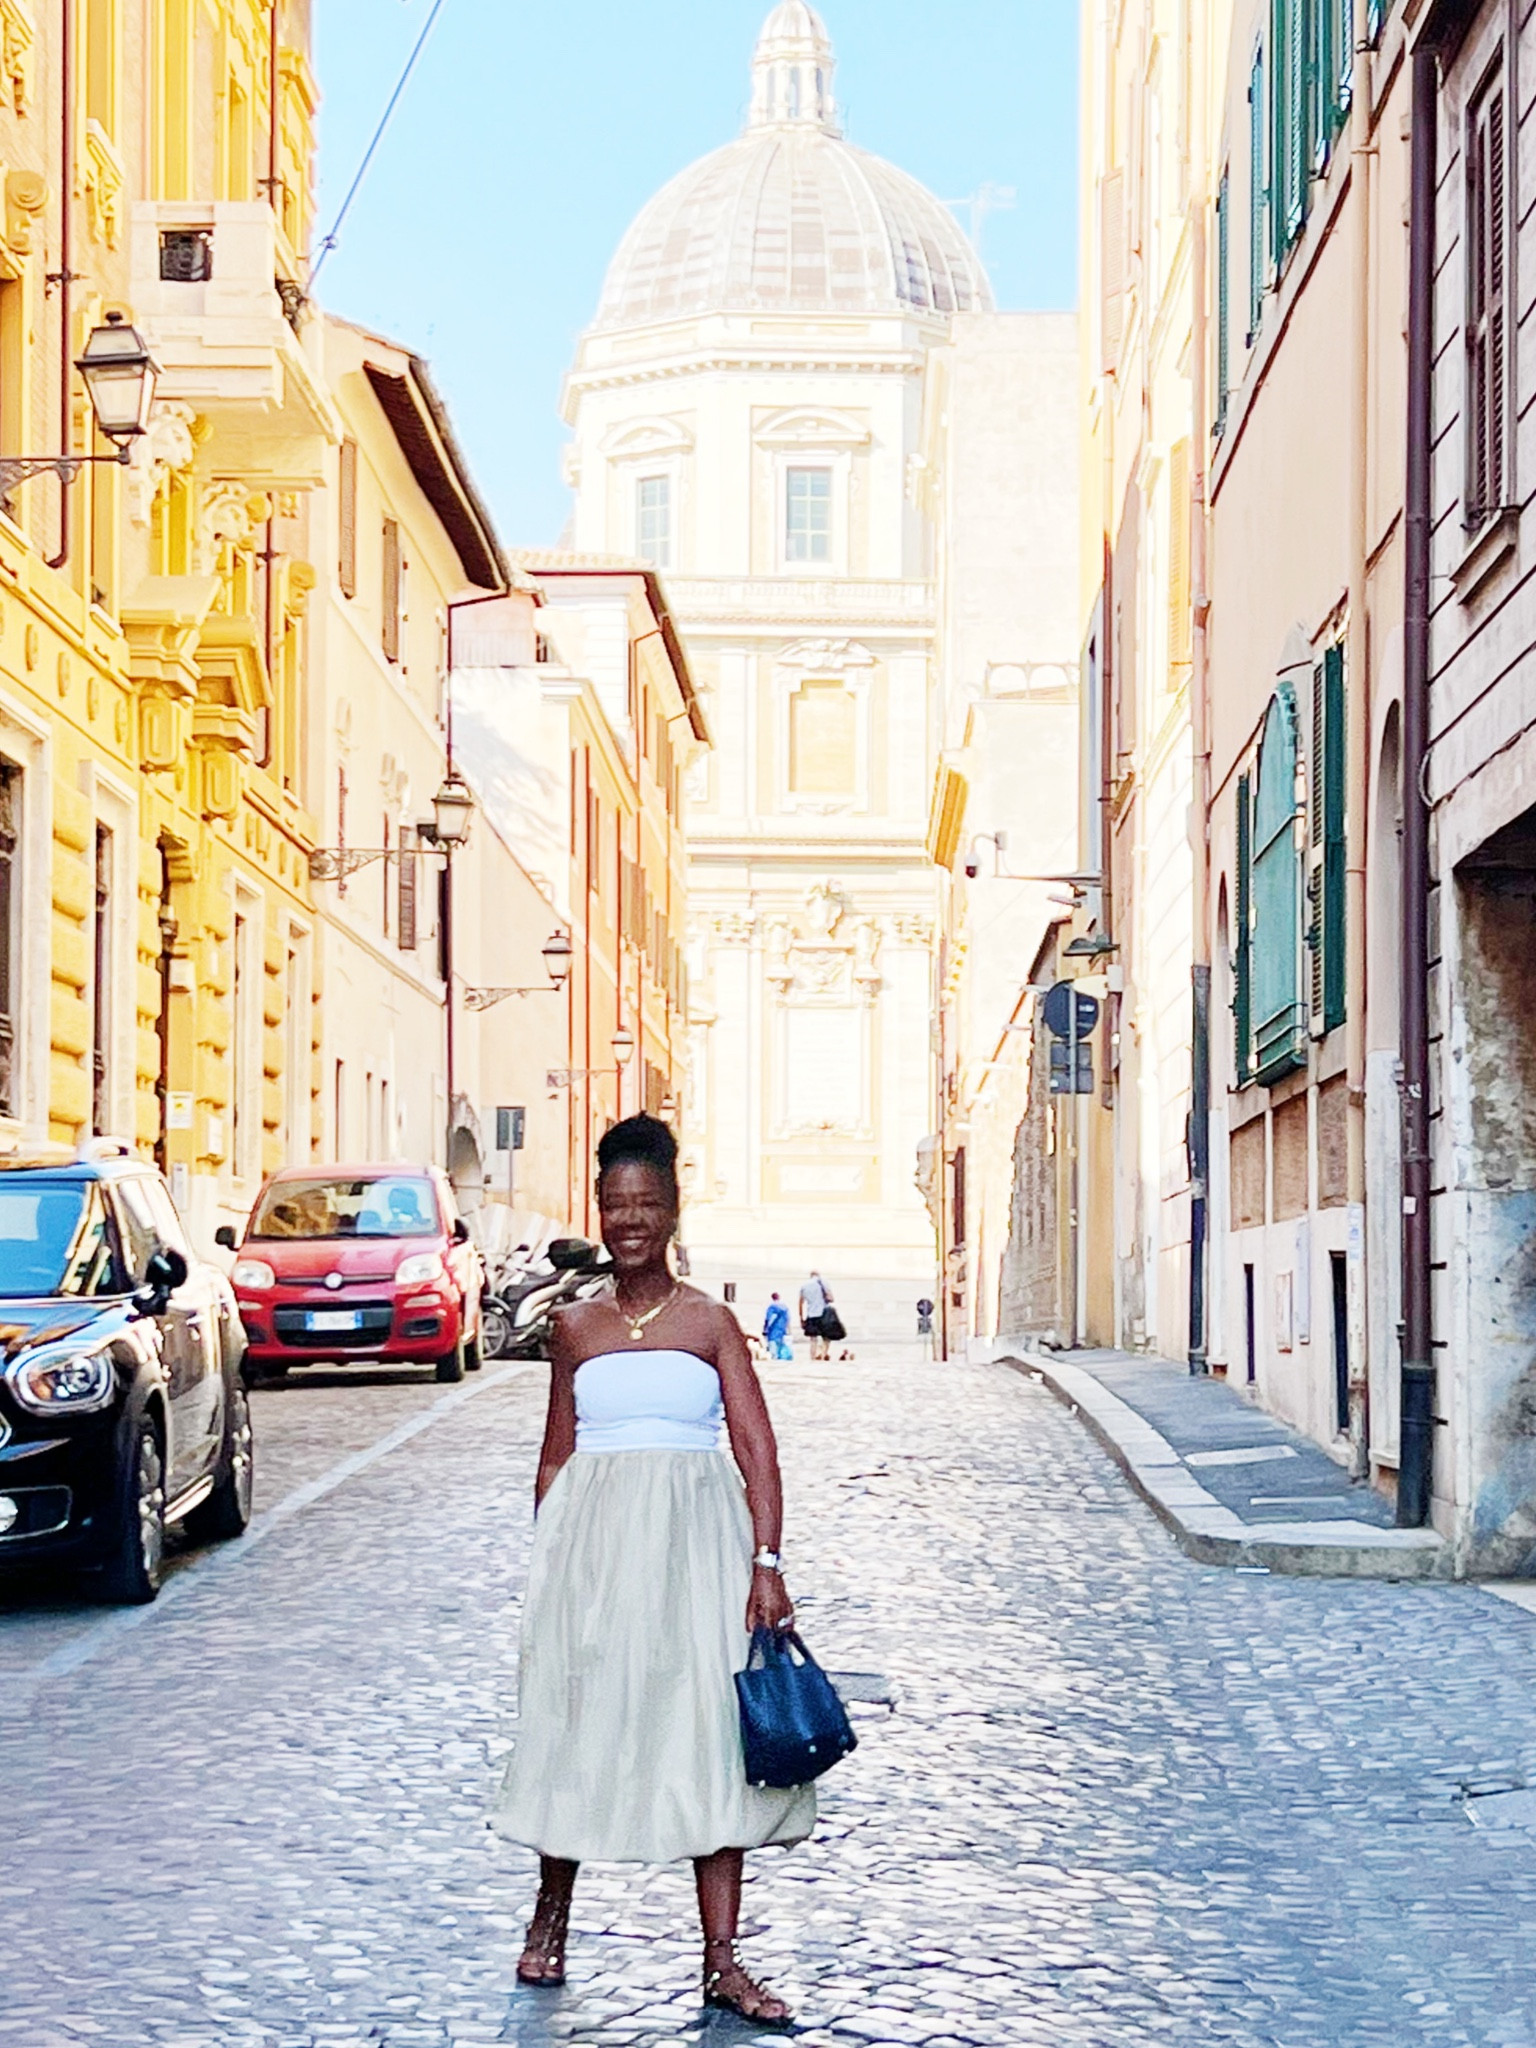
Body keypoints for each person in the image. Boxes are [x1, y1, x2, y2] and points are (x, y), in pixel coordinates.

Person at [493, 1114, 812, 2027]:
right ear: (598, 1210)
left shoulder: (711, 1323)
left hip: (698, 1552)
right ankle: (551, 1914)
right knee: (575, 1722)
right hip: (592, 1557)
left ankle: (722, 1961)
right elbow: (556, 1457)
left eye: (647, 1203)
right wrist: (551, 1563)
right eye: (615, 1204)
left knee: (710, 1739)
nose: (630, 1220)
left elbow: (758, 1450)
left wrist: (767, 1564)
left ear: (671, 1210)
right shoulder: (574, 1327)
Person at [799, 1271, 833, 1360]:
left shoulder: (804, 1285)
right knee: (826, 1337)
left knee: (813, 1339)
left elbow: (801, 1303)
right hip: (823, 1313)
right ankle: (823, 1354)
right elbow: (831, 1298)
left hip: (811, 1314)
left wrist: (801, 1318)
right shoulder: (823, 1282)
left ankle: (813, 1357)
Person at [762, 1292, 792, 1361]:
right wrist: (789, 1329)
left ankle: (774, 1357)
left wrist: (765, 1329)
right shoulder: (785, 1307)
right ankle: (782, 1357)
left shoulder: (771, 1307)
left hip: (773, 1329)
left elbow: (768, 1319)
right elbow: (788, 1319)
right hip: (782, 1328)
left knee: (773, 1344)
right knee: (781, 1343)